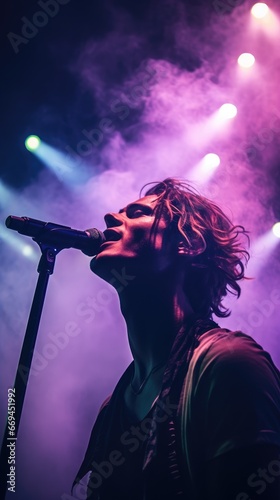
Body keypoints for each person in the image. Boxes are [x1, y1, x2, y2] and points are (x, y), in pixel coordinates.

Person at [72, 178, 280, 499]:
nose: (111, 218)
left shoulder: (228, 364)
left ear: (188, 244)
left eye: (138, 213)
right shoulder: (112, 409)